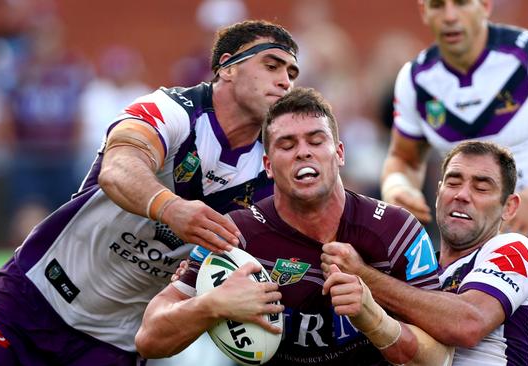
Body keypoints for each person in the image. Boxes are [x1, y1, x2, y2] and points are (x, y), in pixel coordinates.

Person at [0, 19, 299, 365]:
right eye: (271, 66)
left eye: (291, 73)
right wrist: (171, 208)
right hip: (31, 297)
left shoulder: (271, 170)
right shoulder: (173, 109)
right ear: (226, 67)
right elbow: (119, 168)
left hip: (113, 345)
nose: (285, 81)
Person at [379, 1, 528, 364]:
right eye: (437, 5)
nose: (449, 16)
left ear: (485, 6)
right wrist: (398, 187)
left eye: (461, 3)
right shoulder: (416, 78)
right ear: (423, 11)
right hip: (464, 246)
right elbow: (402, 157)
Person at [135, 87, 453, 366]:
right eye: (287, 145)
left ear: (339, 154)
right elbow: (150, 337)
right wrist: (211, 305)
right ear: (268, 166)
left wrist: (374, 318)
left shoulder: (395, 230)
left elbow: (438, 357)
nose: (303, 152)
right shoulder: (234, 236)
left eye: (316, 141)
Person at [322, 140, 528, 365]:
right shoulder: (415, 269)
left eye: (481, 188)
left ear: (509, 207)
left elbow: (468, 324)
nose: (462, 195)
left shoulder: (513, 249)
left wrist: (363, 275)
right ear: (438, 192)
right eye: (453, 183)